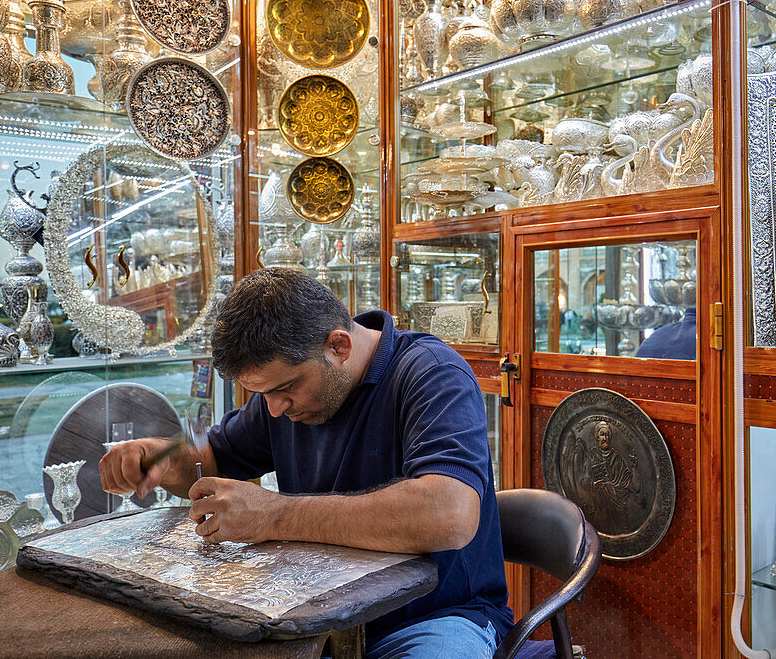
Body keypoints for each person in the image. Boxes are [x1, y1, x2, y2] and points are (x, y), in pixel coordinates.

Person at [100, 268, 513, 658]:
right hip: (313, 621)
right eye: (263, 395)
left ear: (339, 346)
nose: (275, 410)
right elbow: (213, 460)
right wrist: (160, 459)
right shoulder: (281, 400)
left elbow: (450, 513)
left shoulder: (432, 374)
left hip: (431, 619)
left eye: (285, 388)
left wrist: (275, 516)